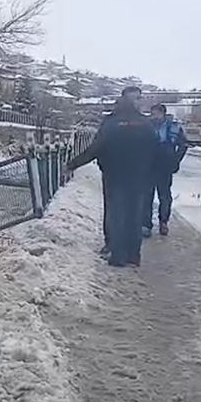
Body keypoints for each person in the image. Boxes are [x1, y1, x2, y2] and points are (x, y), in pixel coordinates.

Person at [68, 87, 157, 267]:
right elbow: (155, 151)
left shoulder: (111, 123)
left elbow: (96, 148)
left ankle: (117, 254)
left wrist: (72, 164)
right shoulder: (146, 124)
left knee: (116, 214)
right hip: (139, 178)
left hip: (114, 176)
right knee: (134, 215)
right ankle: (133, 255)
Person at [95, 86, 144, 255]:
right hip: (113, 173)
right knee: (113, 210)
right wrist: (103, 163)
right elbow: (98, 145)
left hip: (136, 175)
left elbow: (154, 147)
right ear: (124, 99)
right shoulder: (111, 121)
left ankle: (129, 250)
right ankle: (112, 243)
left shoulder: (144, 122)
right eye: (132, 98)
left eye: (137, 98)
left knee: (133, 210)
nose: (134, 102)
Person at [143, 104, 187, 237]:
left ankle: (163, 222)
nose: (154, 117)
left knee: (165, 196)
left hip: (165, 167)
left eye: (156, 114)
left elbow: (183, 145)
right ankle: (146, 224)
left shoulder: (173, 128)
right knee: (146, 196)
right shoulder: (146, 126)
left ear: (163, 114)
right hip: (148, 166)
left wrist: (176, 160)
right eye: (152, 114)